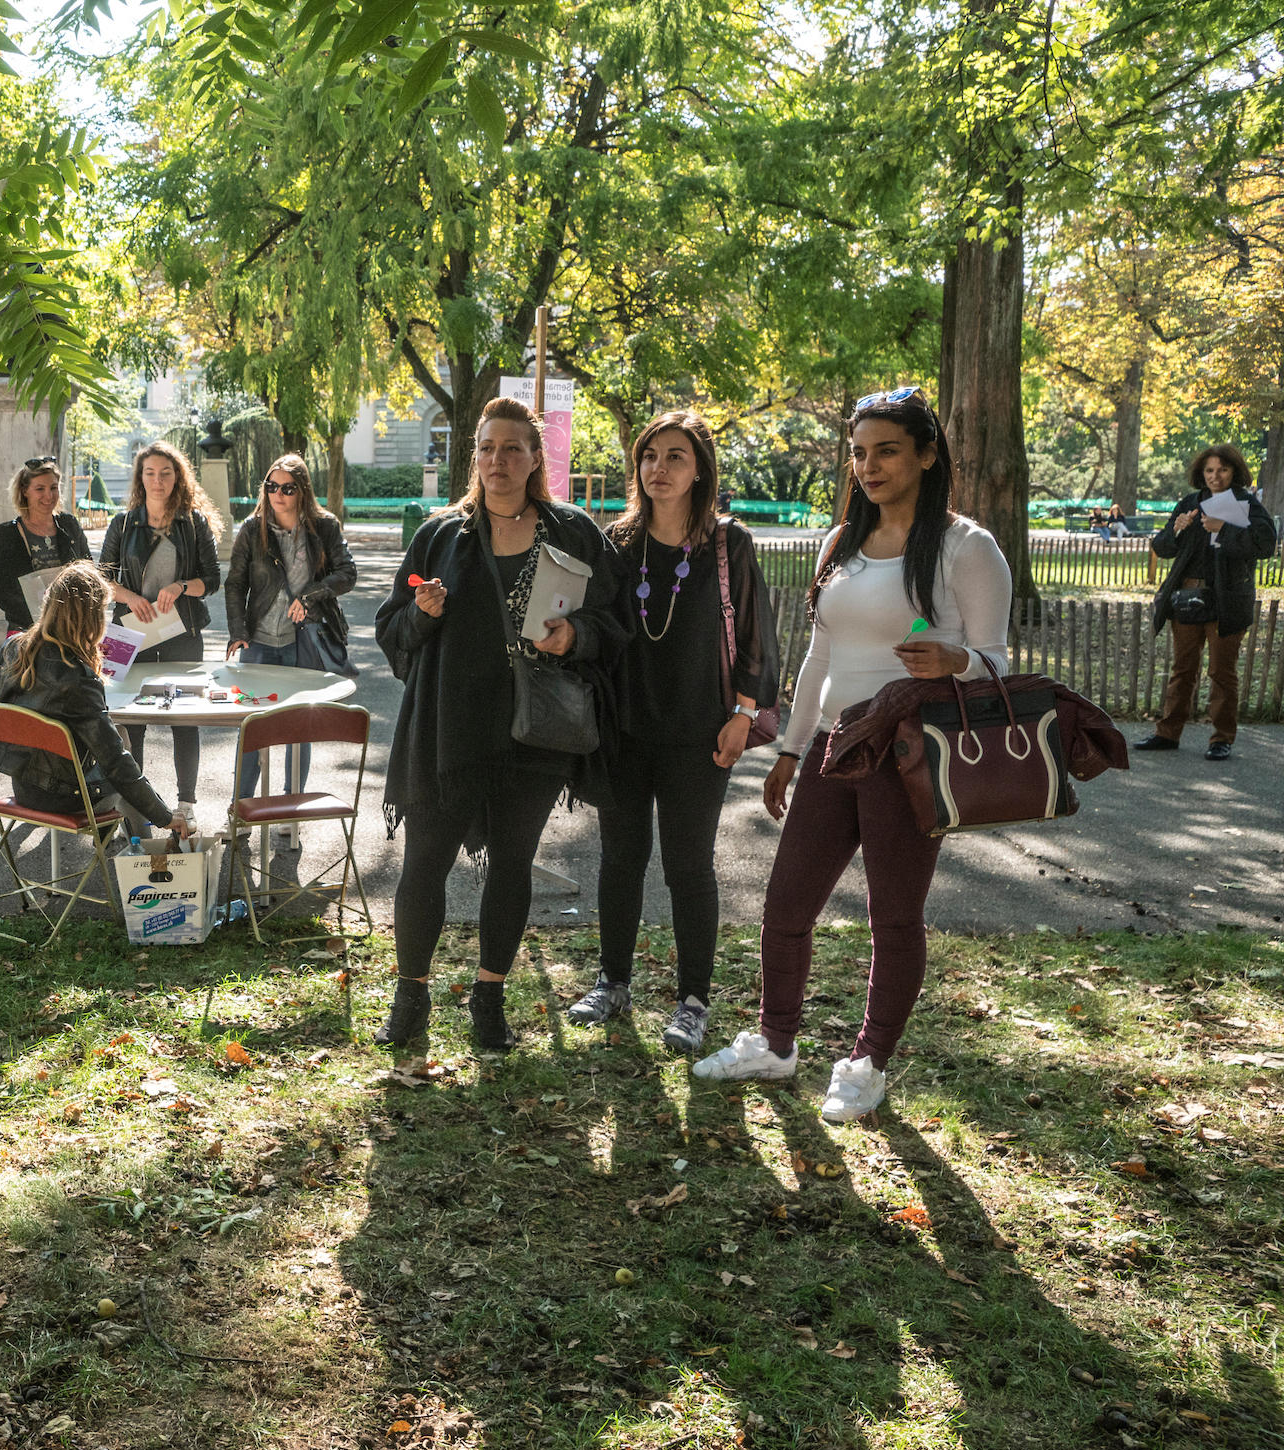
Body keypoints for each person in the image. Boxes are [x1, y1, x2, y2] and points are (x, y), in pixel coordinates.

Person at [693, 388, 1010, 1123]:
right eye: (860, 452)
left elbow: (999, 662)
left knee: (893, 915)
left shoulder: (967, 546)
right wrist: (792, 748)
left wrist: (954, 658)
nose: (868, 465)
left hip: (910, 754)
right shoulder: (841, 542)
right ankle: (776, 1043)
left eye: (887, 450)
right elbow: (820, 654)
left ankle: (868, 1062)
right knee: (785, 904)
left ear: (927, 455)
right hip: (838, 746)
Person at [373, 397, 631, 1051]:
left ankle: (489, 1000)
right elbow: (393, 628)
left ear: (534, 458)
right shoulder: (441, 534)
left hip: (533, 734)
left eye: (512, 448)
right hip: (448, 728)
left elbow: (614, 624)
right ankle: (412, 999)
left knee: (512, 864)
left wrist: (574, 634)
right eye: (487, 448)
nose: (497, 461)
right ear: (474, 457)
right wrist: (424, 613)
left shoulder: (572, 532)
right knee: (423, 865)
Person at [569, 411, 777, 1054]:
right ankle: (613, 981)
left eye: (676, 457)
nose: (659, 468)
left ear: (699, 470)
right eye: (650, 455)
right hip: (623, 731)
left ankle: (693, 999)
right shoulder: (617, 542)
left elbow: (756, 640)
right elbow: (593, 626)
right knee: (620, 861)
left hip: (701, 737)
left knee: (689, 868)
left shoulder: (727, 544)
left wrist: (743, 717)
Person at [0, 561, 194, 839]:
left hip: (25, 785)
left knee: (120, 737)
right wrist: (165, 816)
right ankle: (144, 852)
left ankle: (135, 845)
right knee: (122, 768)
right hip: (65, 796)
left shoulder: (13, 649)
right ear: (91, 618)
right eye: (104, 613)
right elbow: (115, 763)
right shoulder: (78, 677)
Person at [98, 441, 223, 832]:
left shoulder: (194, 523)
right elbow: (101, 577)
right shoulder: (122, 523)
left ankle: (186, 804)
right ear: (140, 477)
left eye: (165, 473)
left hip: (180, 634)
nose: (157, 480)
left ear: (178, 477)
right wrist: (131, 597)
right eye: (150, 473)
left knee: (184, 720)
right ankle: (134, 809)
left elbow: (213, 581)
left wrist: (183, 586)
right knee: (128, 722)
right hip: (125, 633)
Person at [223, 452, 357, 813]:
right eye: (271, 486)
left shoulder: (324, 526)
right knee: (252, 726)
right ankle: (241, 807)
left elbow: (347, 573)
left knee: (299, 726)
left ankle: (290, 809)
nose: (278, 494)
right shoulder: (253, 529)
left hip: (306, 638)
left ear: (302, 491)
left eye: (287, 487)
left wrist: (310, 595)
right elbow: (234, 584)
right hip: (260, 641)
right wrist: (237, 630)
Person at [1136, 443, 1278, 762]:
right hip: (1187, 598)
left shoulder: (1246, 503)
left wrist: (1223, 529)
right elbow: (1163, 547)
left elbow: (1266, 544)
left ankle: (1221, 738)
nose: (1216, 476)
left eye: (1223, 470)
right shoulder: (1190, 502)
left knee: (1221, 671)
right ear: (1202, 473)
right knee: (1182, 668)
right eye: (1210, 471)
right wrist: (1177, 529)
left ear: (1234, 472)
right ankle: (1167, 733)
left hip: (1226, 599)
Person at [0, 456, 94, 633]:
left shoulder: (69, 525)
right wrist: (43, 619)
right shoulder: (5, 534)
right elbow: (2, 592)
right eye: (40, 489)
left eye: (54, 488)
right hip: (26, 630)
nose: (48, 496)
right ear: (24, 491)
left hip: (71, 628)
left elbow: (89, 573)